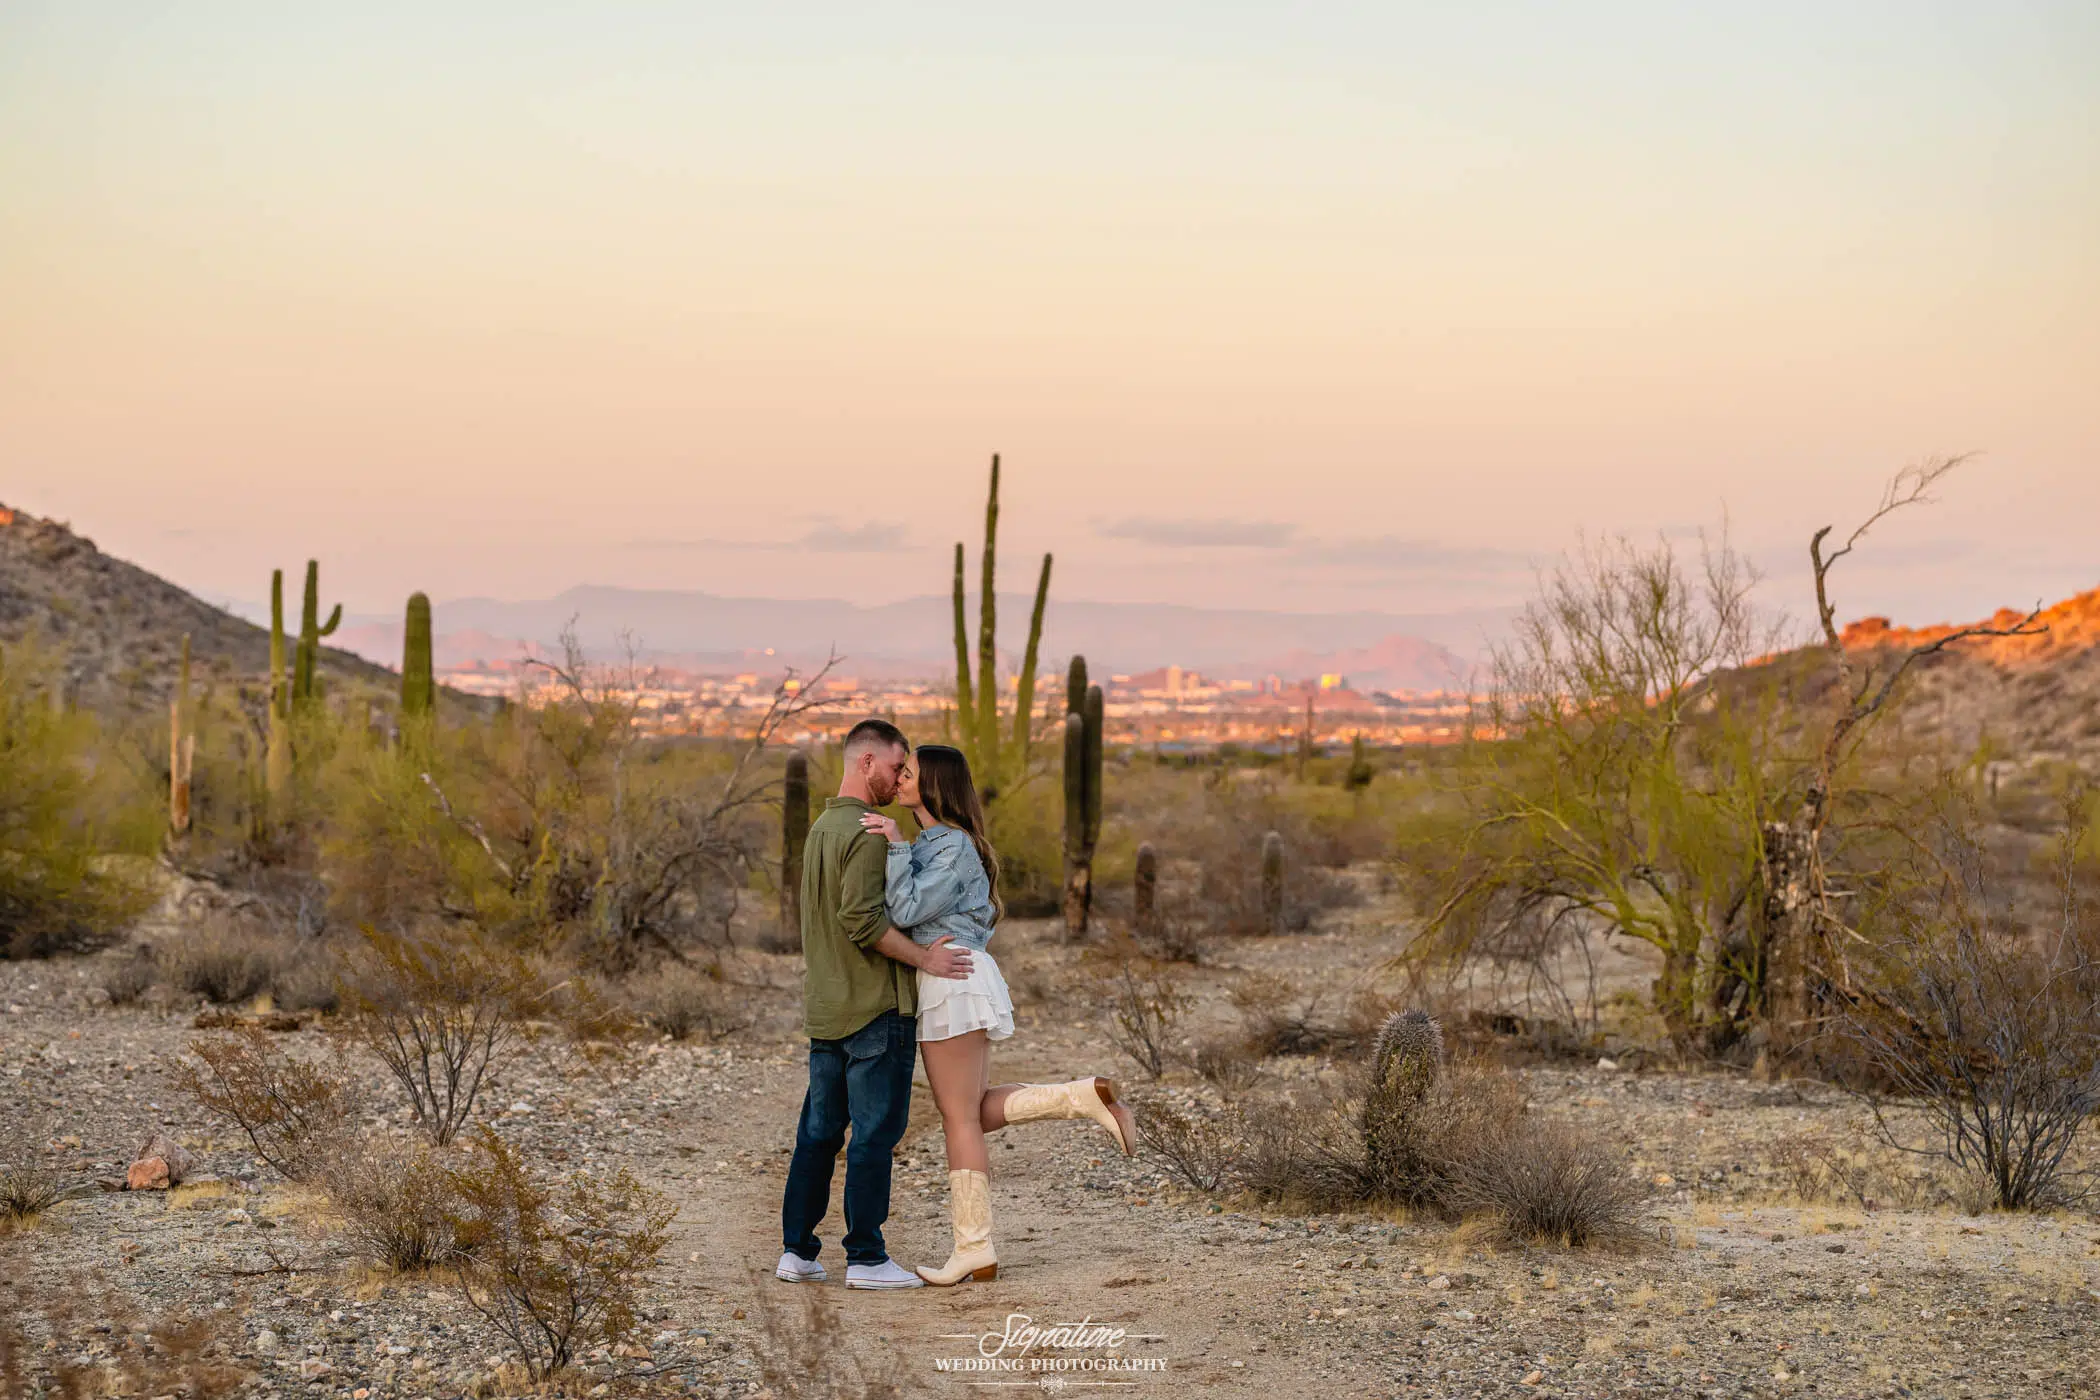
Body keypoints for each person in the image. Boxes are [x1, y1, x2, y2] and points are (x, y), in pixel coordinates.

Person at [859, 743, 1136, 1286]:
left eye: (909, 774)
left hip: (952, 978)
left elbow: (908, 909)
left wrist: (892, 846)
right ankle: (1083, 1097)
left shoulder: (951, 845)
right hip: (954, 975)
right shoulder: (940, 842)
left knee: (960, 1119)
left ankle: (975, 1249)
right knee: (971, 1112)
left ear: (934, 785)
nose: (899, 781)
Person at [776, 719, 974, 1290]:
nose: (897, 778)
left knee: (818, 1133)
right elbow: (862, 920)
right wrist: (924, 959)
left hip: (826, 1007)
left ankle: (797, 1251)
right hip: (873, 1009)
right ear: (867, 763)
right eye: (894, 766)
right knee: (873, 1136)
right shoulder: (866, 832)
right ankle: (865, 1258)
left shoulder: (819, 828)